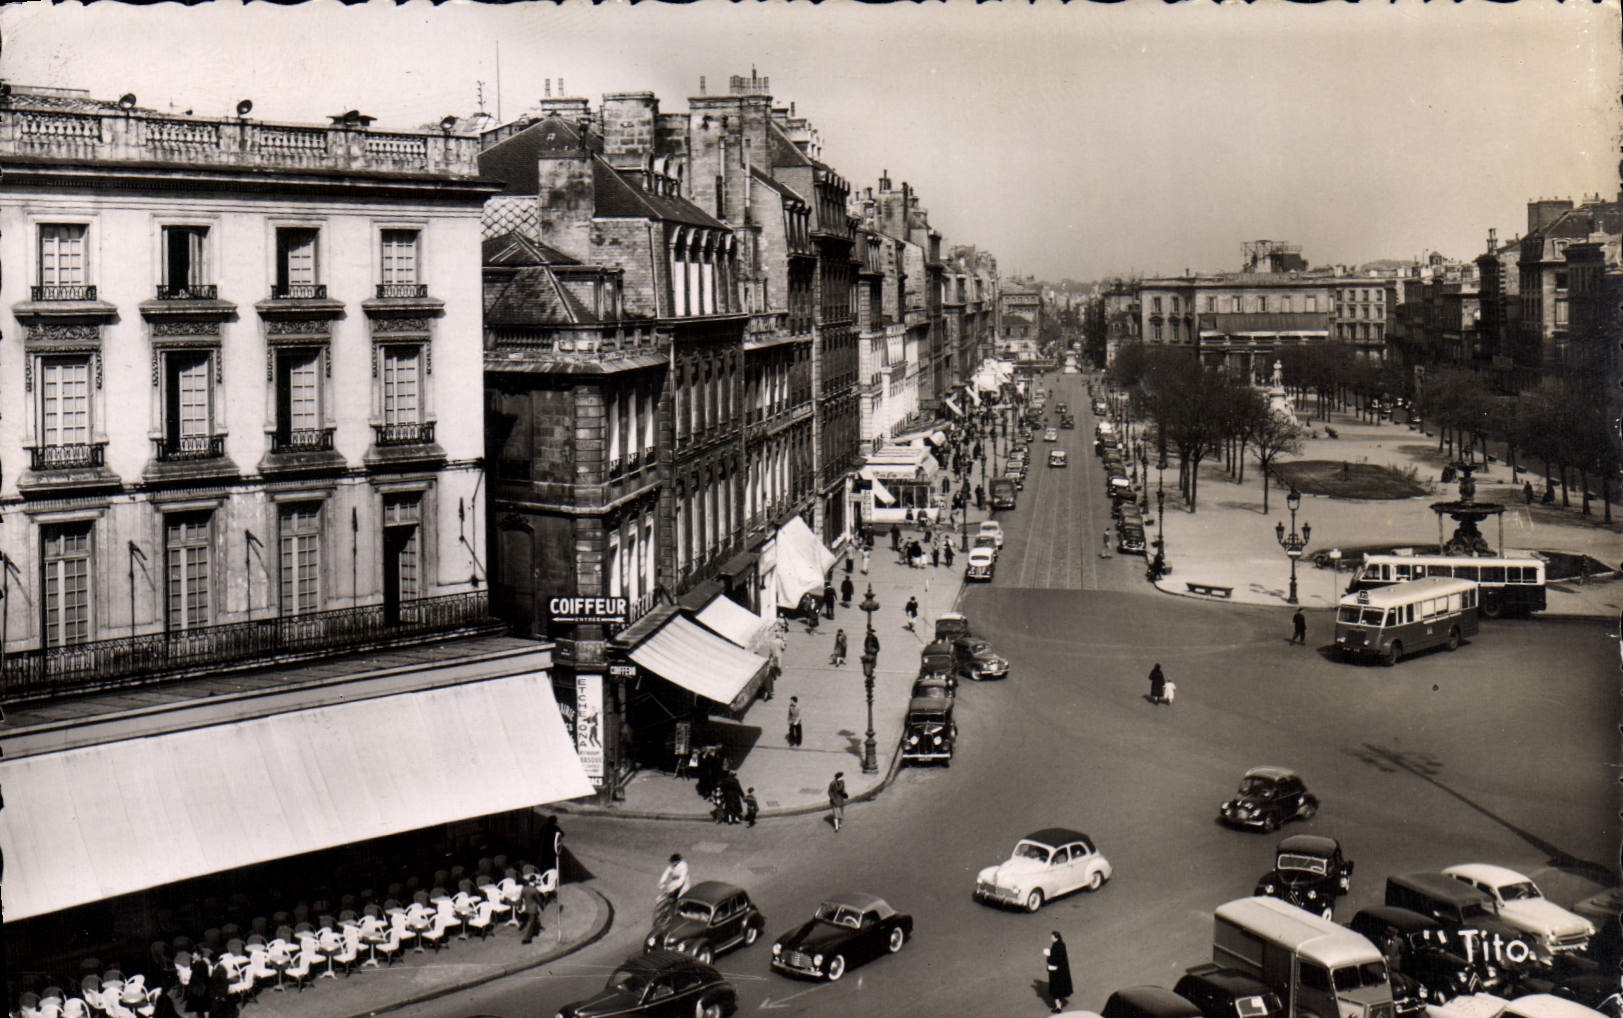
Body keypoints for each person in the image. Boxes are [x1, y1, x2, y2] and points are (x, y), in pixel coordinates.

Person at [655, 853, 690, 929]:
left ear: (677, 861)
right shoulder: (671, 866)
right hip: (674, 882)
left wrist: (675, 888)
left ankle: (682, 914)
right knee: (669, 895)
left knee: (681, 898)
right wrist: (662, 882)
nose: (671, 864)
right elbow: (666, 873)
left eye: (673, 862)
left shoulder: (683, 866)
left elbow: (682, 879)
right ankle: (668, 910)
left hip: (683, 884)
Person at [1045, 931, 1074, 1013]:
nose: (1051, 938)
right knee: (1060, 989)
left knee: (1055, 990)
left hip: (1056, 972)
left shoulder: (1055, 947)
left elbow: (1053, 960)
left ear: (1056, 937)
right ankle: (1059, 1004)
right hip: (1062, 972)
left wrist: (1048, 956)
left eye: (1052, 937)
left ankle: (1058, 1007)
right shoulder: (1062, 945)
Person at [519, 872, 546, 943]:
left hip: (527, 908)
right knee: (530, 923)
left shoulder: (524, 889)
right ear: (534, 881)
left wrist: (519, 906)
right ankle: (526, 938)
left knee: (535, 919)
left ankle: (536, 931)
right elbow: (539, 900)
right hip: (533, 909)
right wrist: (542, 907)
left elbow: (520, 898)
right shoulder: (534, 890)